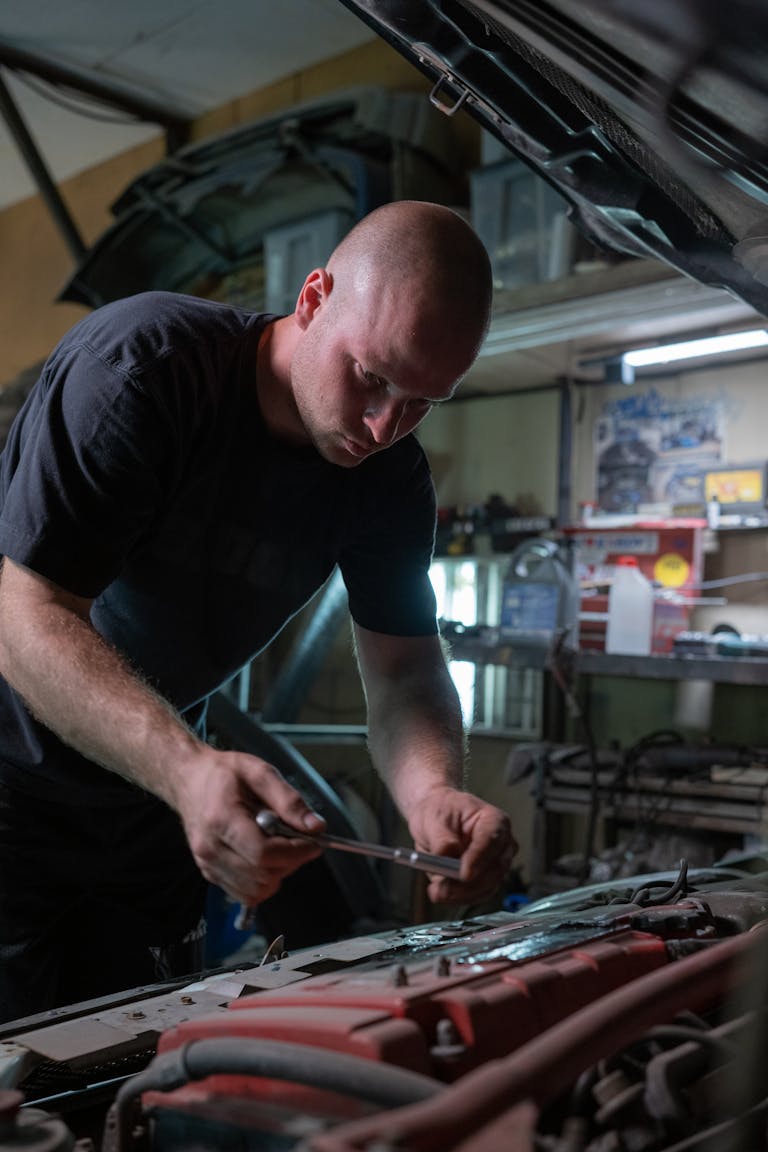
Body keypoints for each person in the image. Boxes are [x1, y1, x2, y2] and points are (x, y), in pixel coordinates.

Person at [0, 199, 516, 1025]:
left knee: (136, 1062)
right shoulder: (144, 370)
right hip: (13, 786)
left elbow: (405, 666)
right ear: (312, 299)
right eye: (372, 377)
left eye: (424, 401)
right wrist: (185, 767)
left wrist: (429, 795)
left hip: (149, 804)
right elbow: (26, 617)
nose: (386, 425)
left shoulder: (389, 480)